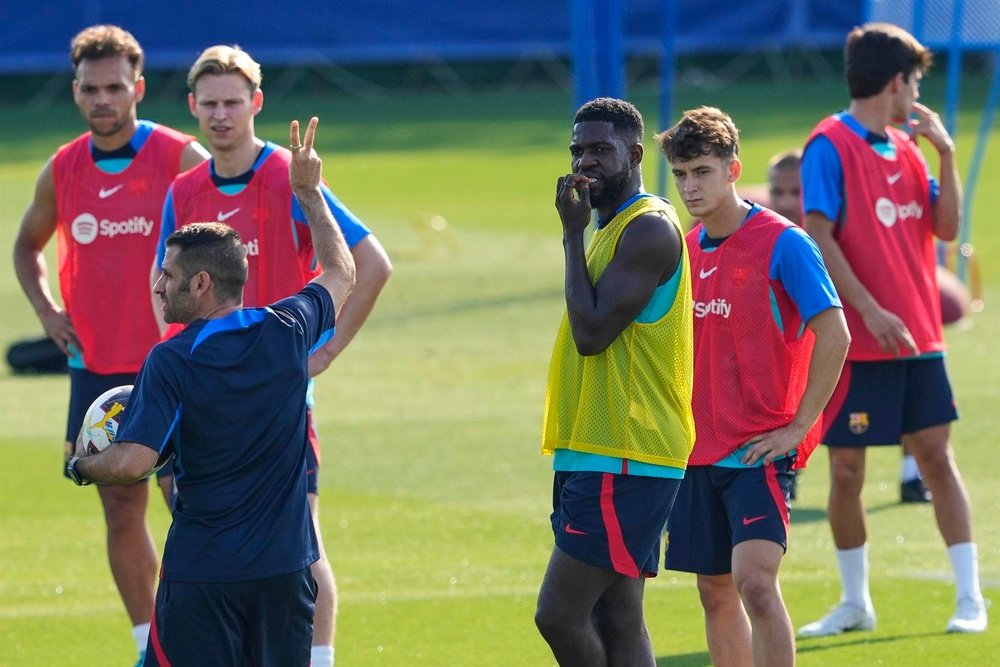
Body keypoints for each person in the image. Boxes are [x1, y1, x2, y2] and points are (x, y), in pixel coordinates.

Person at [66, 117, 356, 666]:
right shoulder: (288, 329)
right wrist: (310, 193)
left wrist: (84, 466)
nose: (157, 284)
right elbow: (342, 271)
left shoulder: (172, 359)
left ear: (201, 283)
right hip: (285, 575)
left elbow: (132, 462)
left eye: (168, 275)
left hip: (204, 579)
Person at [153, 45, 392, 667]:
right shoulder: (183, 188)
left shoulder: (288, 174)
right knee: (199, 532)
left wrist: (328, 349)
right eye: (210, 104)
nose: (221, 115)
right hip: (199, 397)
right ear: (192, 108)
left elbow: (369, 263)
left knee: (299, 547)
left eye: (234, 102)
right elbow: (164, 284)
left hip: (276, 397)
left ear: (256, 103)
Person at [12, 25, 208, 665]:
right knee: (121, 512)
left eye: (114, 88)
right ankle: (145, 644)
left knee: (195, 509)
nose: (102, 99)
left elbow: (227, 246)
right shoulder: (62, 168)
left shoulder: (179, 158)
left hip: (174, 366)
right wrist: (47, 312)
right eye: (90, 89)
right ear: (74, 92)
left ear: (138, 89)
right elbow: (25, 246)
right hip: (94, 368)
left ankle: (203, 635)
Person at [797, 23, 987, 636]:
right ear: (897, 82)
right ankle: (855, 602)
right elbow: (819, 236)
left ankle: (970, 598)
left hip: (921, 340)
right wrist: (871, 312)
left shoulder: (908, 148)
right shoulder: (829, 143)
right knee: (847, 472)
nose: (917, 95)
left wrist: (947, 154)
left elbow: (948, 227)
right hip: (857, 344)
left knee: (937, 459)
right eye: (916, 83)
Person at [657, 107, 849, 666]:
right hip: (696, 450)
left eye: (702, 172)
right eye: (681, 175)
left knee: (756, 584)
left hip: (759, 450)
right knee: (713, 590)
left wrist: (798, 426)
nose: (690, 187)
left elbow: (833, 333)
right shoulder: (685, 249)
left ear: (733, 169)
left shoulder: (783, 244)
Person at [534, 97, 695, 666]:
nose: (585, 162)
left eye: (600, 150)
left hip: (626, 452)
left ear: (634, 153)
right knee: (618, 615)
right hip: (597, 449)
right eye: (578, 150)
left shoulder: (648, 229)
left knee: (558, 614)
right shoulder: (609, 226)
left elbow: (592, 333)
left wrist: (570, 236)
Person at [767, 148, 932, 504]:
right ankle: (788, 470)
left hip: (855, 341)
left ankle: (912, 473)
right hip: (794, 351)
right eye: (778, 193)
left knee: (906, 392)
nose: (786, 202)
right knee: (789, 398)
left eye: (796, 193)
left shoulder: (828, 236)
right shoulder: (766, 238)